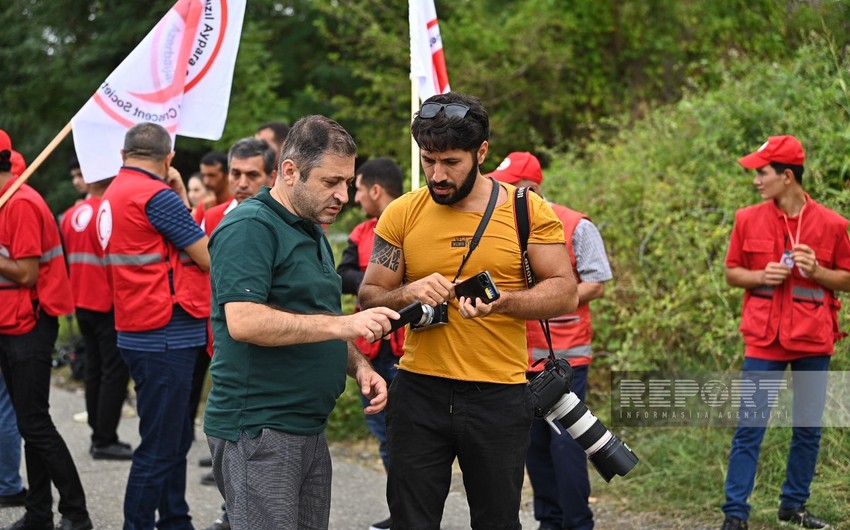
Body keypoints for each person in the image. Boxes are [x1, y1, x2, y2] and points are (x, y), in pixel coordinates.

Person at [359, 92, 578, 530]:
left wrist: (507, 301)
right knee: (410, 520)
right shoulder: (402, 212)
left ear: (482, 153)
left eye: (451, 162)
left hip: (499, 392)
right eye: (428, 160)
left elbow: (565, 292)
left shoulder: (525, 209)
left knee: (497, 521)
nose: (437, 175)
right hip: (419, 391)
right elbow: (368, 297)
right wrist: (409, 291)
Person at [204, 115, 397, 530]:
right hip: (261, 428)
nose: (343, 195)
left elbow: (319, 318)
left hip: (306, 426)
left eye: (348, 182)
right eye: (331, 182)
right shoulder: (250, 226)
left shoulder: (310, 229)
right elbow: (244, 321)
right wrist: (343, 326)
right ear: (289, 171)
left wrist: (360, 366)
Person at [720, 135, 850, 530]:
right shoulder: (747, 219)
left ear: (787, 176)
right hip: (763, 339)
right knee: (750, 428)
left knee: (807, 429)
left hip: (813, 337)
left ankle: (793, 506)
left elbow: (846, 278)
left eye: (762, 172)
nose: (756, 180)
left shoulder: (833, 225)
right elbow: (731, 272)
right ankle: (735, 515)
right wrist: (760, 275)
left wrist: (818, 273)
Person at [490, 152, 612, 530]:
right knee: (535, 446)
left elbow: (597, 281)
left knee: (567, 445)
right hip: (517, 357)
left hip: (565, 358)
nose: (505, 194)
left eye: (512, 187)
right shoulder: (502, 227)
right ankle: (549, 521)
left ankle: (578, 523)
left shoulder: (575, 225)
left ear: (535, 189)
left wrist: (554, 296)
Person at [98, 122, 210, 530]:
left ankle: (175, 520)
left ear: (124, 155)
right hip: (166, 332)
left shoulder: (114, 193)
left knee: (172, 437)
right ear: (169, 159)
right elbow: (207, 256)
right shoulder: (155, 196)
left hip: (139, 326)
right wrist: (178, 195)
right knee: (162, 447)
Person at [0, 129, 93, 530]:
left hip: (29, 325)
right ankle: (39, 513)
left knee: (34, 423)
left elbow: (25, 272)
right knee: (28, 422)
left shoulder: (20, 204)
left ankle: (76, 513)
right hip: (11, 324)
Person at [336, 157, 405, 530]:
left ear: (375, 189)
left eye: (358, 188)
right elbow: (342, 274)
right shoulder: (362, 233)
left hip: (407, 348)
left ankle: (412, 511)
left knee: (406, 434)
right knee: (382, 431)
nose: (355, 197)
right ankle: (400, 511)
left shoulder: (414, 222)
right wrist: (378, 281)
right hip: (371, 347)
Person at [60, 176, 133, 461]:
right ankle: (105, 438)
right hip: (107, 301)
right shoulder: (108, 210)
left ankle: (97, 432)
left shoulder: (72, 213)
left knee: (93, 369)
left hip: (80, 299)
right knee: (114, 371)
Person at [194, 152, 230, 223]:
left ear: (227, 175)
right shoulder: (203, 206)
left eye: (212, 175)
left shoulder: (236, 203)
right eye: (203, 175)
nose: (206, 181)